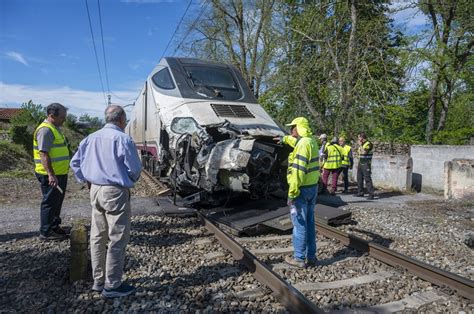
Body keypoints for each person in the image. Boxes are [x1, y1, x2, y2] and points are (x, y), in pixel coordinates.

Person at [70, 105, 142, 298]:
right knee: (117, 237)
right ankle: (112, 286)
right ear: (121, 120)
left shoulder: (89, 138)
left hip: (94, 189)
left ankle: (98, 281)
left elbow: (74, 163)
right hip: (114, 191)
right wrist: (128, 180)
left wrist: (84, 180)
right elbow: (135, 168)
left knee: (98, 236)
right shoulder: (123, 138)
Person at [275, 117, 320, 268]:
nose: (291, 130)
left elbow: (298, 172)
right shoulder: (311, 141)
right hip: (313, 187)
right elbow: (297, 142)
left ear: (298, 128)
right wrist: (284, 139)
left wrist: (292, 193)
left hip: (301, 189)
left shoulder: (302, 145)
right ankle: (312, 257)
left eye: (292, 127)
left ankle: (299, 258)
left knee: (299, 224)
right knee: (310, 223)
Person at [33, 103, 70, 241]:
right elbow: (44, 154)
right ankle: (46, 232)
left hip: (59, 173)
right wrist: (51, 174)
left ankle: (54, 226)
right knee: (49, 202)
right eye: (62, 117)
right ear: (51, 115)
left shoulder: (54, 128)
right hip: (50, 175)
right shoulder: (45, 130)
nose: (64, 120)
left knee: (56, 202)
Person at [355, 132, 374, 200]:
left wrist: (360, 145)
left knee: (367, 178)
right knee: (359, 178)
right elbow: (360, 154)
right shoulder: (362, 144)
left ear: (362, 137)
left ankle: (371, 194)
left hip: (366, 163)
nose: (358, 139)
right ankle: (360, 192)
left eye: (358, 137)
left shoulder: (368, 144)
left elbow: (364, 152)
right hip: (361, 163)